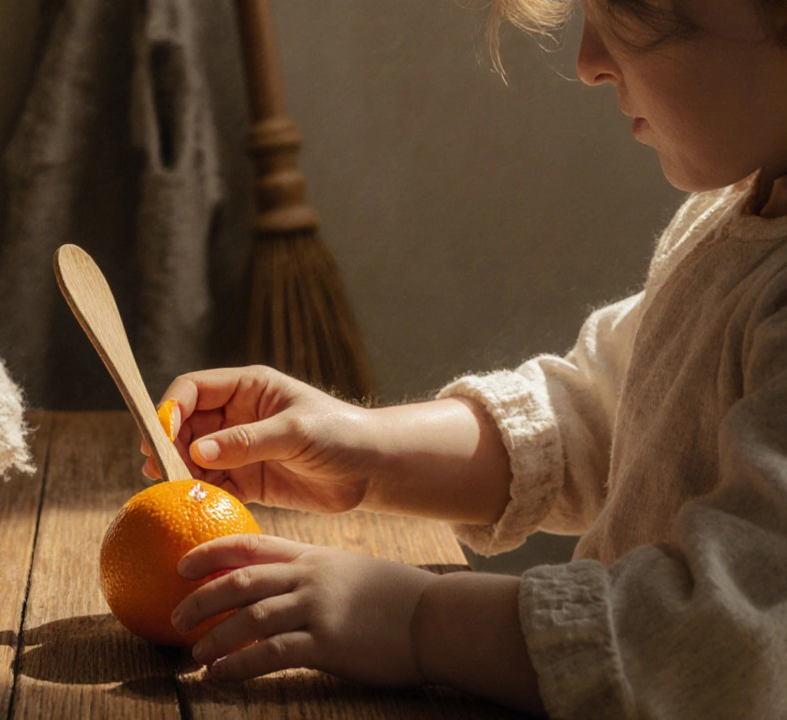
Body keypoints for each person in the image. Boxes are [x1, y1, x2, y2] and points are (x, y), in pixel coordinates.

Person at [140, 0, 787, 716]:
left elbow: (723, 638)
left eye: (632, 19)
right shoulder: (733, 215)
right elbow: (609, 417)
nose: (587, 61)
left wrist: (414, 619)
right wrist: (370, 452)